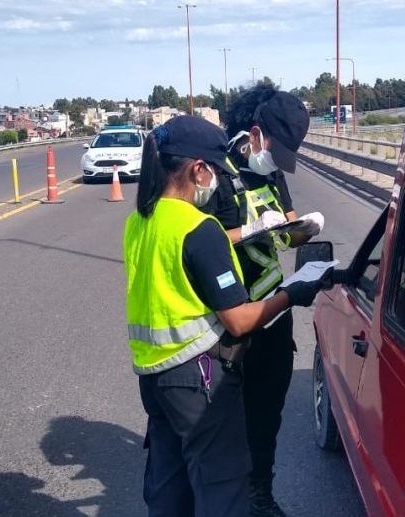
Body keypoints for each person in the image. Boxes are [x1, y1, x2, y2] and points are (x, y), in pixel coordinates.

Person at [123, 115, 327, 517]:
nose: (217, 179)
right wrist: (292, 294)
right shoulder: (199, 229)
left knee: (169, 487)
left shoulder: (140, 220)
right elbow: (237, 320)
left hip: (154, 375)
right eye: (214, 171)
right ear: (198, 170)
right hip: (198, 377)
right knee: (222, 490)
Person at [201, 85, 321, 516]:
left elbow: (285, 228)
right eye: (275, 150)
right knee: (227, 422)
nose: (277, 163)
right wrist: (251, 230)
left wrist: (302, 230)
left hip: (272, 315)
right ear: (254, 135)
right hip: (228, 322)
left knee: (266, 418)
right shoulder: (215, 174)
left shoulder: (270, 172)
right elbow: (197, 240)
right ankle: (227, 502)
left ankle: (260, 497)